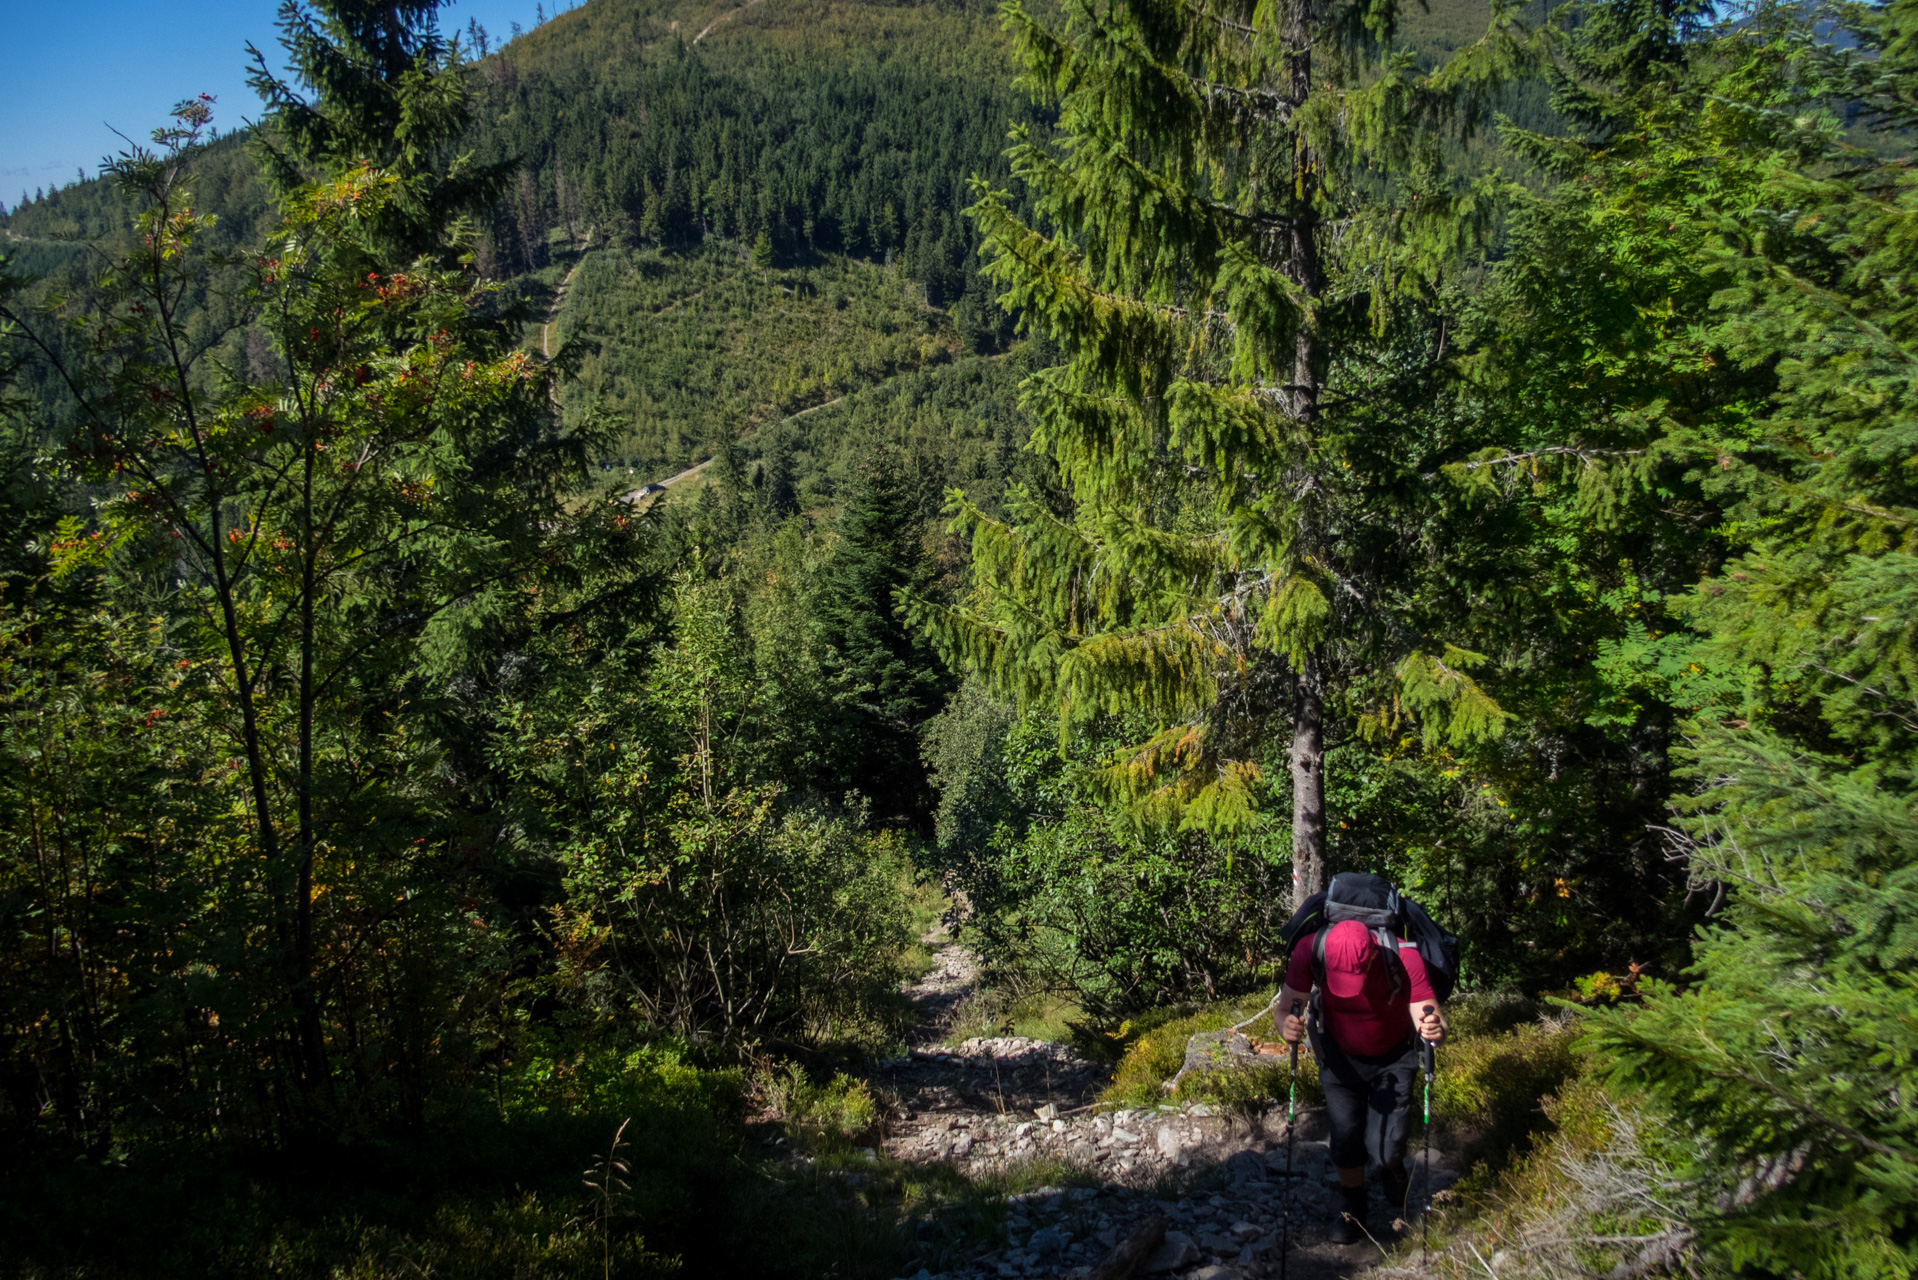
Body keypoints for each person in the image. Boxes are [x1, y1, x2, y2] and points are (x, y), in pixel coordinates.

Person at [1277, 917, 1447, 1243]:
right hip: (1337, 1054)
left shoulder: (1404, 958)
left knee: (1385, 1145)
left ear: (1371, 956)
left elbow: (1428, 1014)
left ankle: (1391, 1165)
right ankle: (1353, 1207)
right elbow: (1285, 1009)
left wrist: (1434, 1031)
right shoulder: (1309, 950)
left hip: (1394, 1056)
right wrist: (1286, 1026)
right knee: (1345, 1136)